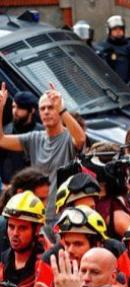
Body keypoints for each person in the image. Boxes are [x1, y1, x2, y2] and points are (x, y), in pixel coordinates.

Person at [0, 83, 86, 221]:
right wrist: (0, 108)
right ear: (38, 112)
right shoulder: (35, 138)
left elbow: (81, 139)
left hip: (63, 218)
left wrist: (62, 109)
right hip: (38, 217)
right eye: (43, 108)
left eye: (51, 107)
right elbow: (2, 140)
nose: (46, 111)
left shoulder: (67, 138)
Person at [0, 191, 45, 287]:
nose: (15, 233)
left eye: (23, 228)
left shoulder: (46, 266)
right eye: (11, 226)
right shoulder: (2, 262)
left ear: (37, 230)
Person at [0, 167, 50, 254]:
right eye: (40, 199)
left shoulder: (45, 230)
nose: (44, 205)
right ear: (20, 193)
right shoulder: (2, 227)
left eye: (23, 228)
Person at [0, 91, 41, 185]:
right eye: (14, 106)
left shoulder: (42, 133)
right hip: (9, 188)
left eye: (20, 107)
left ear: (32, 110)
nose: (15, 111)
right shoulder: (6, 132)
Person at [95, 15, 130, 83]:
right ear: (109, 31)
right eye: (115, 29)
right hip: (111, 85)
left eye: (120, 29)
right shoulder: (102, 47)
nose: (118, 31)